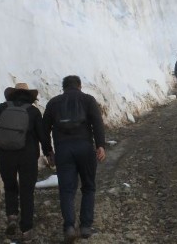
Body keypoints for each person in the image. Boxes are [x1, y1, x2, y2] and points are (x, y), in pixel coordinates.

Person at [43, 75, 106, 242]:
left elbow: (44, 129)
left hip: (63, 150)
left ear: (63, 87)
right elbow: (97, 123)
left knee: (67, 190)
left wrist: (48, 151)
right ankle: (85, 226)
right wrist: (100, 145)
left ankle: (69, 227)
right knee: (88, 187)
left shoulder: (54, 103)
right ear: (79, 86)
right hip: (85, 147)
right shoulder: (88, 100)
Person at [0, 83, 53, 242]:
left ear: (12, 94)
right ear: (29, 96)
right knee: (26, 192)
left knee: (10, 186)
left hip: (5, 154)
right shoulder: (33, 111)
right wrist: (48, 152)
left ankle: (11, 216)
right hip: (27, 156)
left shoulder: (3, 107)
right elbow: (42, 135)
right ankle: (26, 230)